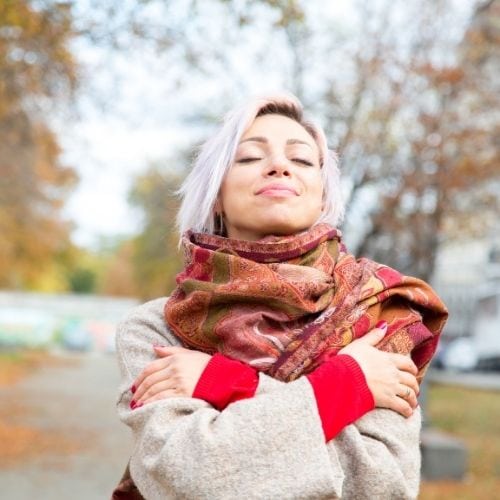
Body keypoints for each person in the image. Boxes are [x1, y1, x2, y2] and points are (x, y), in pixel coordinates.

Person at [113, 93, 448, 499]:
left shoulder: (378, 310)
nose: (279, 166)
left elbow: (382, 484)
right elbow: (189, 475)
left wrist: (229, 384)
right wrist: (347, 384)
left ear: (322, 195)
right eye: (250, 157)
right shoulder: (154, 330)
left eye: (302, 160)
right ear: (217, 194)